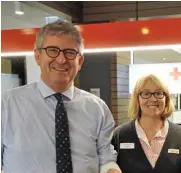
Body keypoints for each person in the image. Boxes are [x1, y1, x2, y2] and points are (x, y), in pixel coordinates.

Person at [1, 20, 121, 173]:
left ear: (80, 61)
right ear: (37, 56)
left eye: (70, 52)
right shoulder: (6, 105)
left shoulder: (97, 108)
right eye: (52, 50)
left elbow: (106, 159)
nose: (61, 59)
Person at [111, 74, 181, 173]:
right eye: (146, 94)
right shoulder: (119, 135)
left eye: (159, 93)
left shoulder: (180, 135)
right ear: (137, 99)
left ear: (166, 98)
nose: (153, 99)